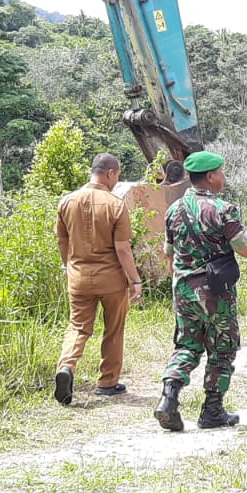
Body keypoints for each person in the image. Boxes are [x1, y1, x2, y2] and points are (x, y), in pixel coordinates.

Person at [154, 151, 247, 431]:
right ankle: (212, 410)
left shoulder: (173, 210)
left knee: (186, 345)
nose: (223, 177)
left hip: (183, 289)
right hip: (216, 291)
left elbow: (168, 254)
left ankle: (168, 397)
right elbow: (244, 249)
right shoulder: (223, 209)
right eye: (221, 172)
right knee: (222, 347)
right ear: (210, 177)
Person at [54, 154, 143, 404]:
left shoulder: (67, 201)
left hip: (78, 276)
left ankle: (66, 367)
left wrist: (68, 265)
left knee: (78, 327)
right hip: (111, 279)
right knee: (113, 329)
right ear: (111, 173)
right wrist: (135, 280)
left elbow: (62, 240)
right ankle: (108, 382)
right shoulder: (115, 204)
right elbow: (123, 249)